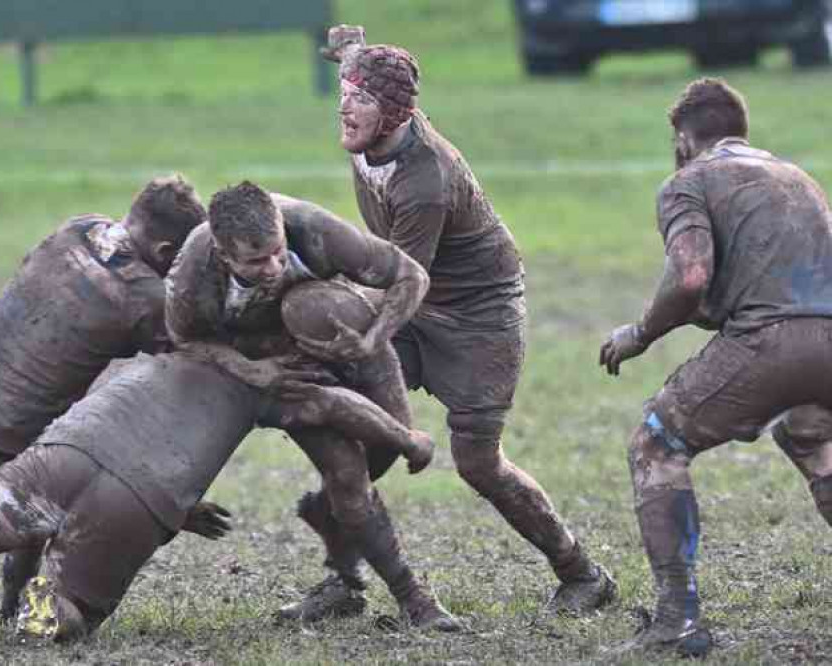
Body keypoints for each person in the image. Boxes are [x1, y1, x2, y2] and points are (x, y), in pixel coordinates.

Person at [0, 294, 443, 642]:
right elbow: (340, 407)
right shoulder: (285, 382)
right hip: (130, 506)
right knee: (54, 619)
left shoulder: (182, 327)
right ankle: (31, 613)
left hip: (63, 455)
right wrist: (409, 439)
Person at [285, 25, 616, 620]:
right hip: (416, 292)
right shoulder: (378, 106)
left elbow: (401, 281)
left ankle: (582, 573)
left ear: (393, 115)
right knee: (356, 433)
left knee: (478, 462)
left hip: (478, 313)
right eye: (346, 93)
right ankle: (343, 582)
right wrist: (352, 52)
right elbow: (368, 72)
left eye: (359, 99)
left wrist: (351, 324)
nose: (345, 106)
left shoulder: (425, 182)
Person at [599, 77, 832, 656]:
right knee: (809, 434)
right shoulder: (796, 177)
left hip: (771, 341)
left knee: (656, 445)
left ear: (683, 137)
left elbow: (690, 277)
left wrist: (640, 334)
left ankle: (676, 620)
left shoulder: (689, 181)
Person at [0, 175, 207, 619]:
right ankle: (5, 601)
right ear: (165, 254)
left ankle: (7, 604)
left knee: (1, 508)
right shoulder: (143, 295)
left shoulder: (80, 227)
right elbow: (197, 349)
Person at [165, 181, 460, 630]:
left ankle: (329, 516)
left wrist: (372, 339)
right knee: (347, 474)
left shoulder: (313, 229)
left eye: (278, 252)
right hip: (278, 368)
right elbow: (184, 340)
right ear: (225, 256)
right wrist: (252, 370)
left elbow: (411, 275)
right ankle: (416, 601)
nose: (273, 266)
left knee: (386, 446)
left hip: (347, 338)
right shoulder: (193, 273)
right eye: (255, 260)